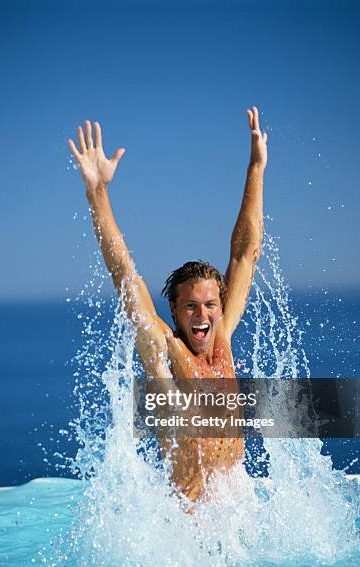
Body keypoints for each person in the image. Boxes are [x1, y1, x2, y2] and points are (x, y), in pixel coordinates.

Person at [68, 107, 267, 503]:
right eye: (190, 306)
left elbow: (246, 254)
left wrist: (256, 168)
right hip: (189, 537)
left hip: (240, 517)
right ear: (173, 312)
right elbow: (125, 275)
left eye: (210, 304)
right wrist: (97, 194)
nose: (202, 315)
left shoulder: (223, 336)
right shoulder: (162, 352)